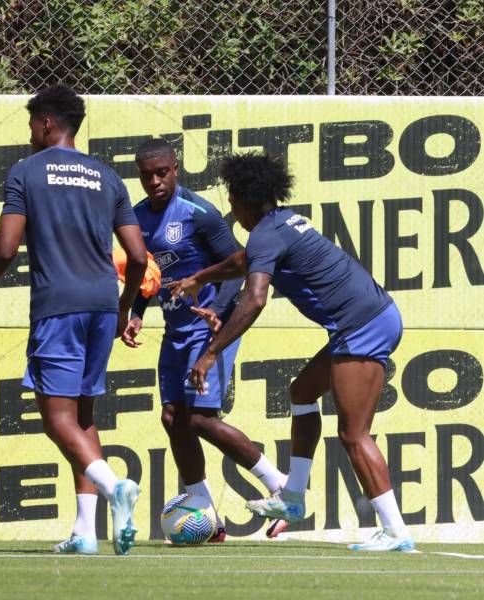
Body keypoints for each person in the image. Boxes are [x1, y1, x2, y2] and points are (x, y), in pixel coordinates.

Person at [168, 152, 414, 552]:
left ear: (247, 197)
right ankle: (293, 497)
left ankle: (395, 529)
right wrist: (200, 277)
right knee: (302, 393)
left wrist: (211, 352)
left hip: (362, 325)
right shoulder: (281, 223)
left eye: (232, 198)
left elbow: (255, 298)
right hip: (368, 319)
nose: (230, 206)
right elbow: (241, 262)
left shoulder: (266, 233)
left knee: (353, 434)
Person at [0, 85, 148, 556]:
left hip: (58, 306)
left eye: (31, 127)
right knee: (83, 416)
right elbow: (139, 257)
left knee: (55, 418)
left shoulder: (26, 171)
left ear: (45, 123)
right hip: (103, 304)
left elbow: (4, 248)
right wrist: (124, 308)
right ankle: (85, 532)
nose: (29, 135)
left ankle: (112, 485)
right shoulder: (107, 176)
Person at [122, 139, 287, 542]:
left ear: (175, 169)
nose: (154, 181)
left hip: (209, 328)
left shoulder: (200, 213)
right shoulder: (137, 217)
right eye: (146, 175)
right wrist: (138, 314)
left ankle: (279, 482)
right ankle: (205, 515)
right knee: (172, 418)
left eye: (162, 173)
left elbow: (242, 264)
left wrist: (221, 315)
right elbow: (148, 275)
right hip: (176, 329)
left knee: (199, 419)